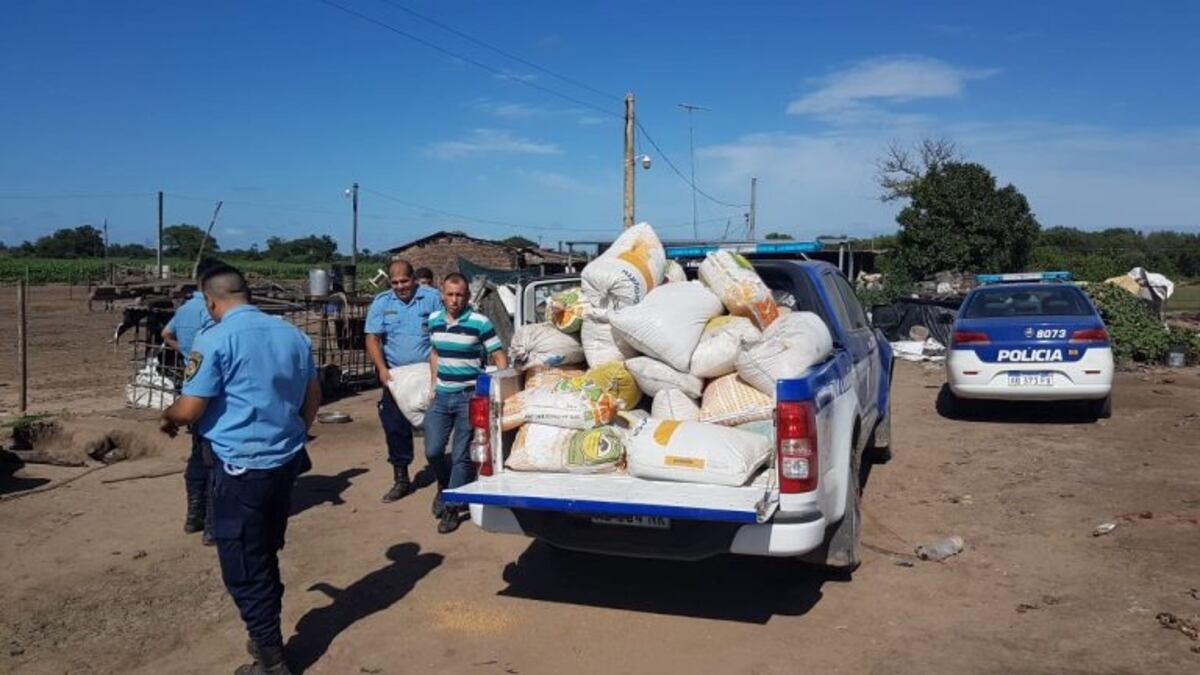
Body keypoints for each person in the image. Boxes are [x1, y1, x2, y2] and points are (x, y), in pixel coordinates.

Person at [161, 265, 321, 675]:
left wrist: (169, 416)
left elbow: (192, 407)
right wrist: (296, 431)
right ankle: (265, 634)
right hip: (284, 462)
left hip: (239, 468)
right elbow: (313, 396)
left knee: (243, 565)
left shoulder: (214, 339)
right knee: (264, 550)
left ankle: (271, 660)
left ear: (211, 301)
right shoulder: (293, 335)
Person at [426, 273, 508, 534]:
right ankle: (444, 486)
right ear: (442, 294)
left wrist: (498, 390)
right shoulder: (434, 320)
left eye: (459, 294)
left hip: (467, 397)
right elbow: (436, 352)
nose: (454, 300)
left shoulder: (479, 323)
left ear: (467, 296)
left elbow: (498, 355)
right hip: (441, 395)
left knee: (461, 455)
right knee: (433, 450)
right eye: (449, 294)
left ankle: (451, 508)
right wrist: (432, 384)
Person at [365, 259, 443, 502]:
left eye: (405, 281)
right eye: (395, 282)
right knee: (394, 425)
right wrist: (382, 370)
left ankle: (443, 480)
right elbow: (373, 338)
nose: (400, 287)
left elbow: (443, 331)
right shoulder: (382, 302)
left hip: (429, 372)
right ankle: (401, 478)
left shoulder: (431, 298)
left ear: (414, 280)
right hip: (396, 376)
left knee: (436, 426)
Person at [162, 273, 217, 542]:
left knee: (197, 450)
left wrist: (187, 355)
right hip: (212, 388)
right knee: (215, 453)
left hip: (191, 381)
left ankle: (194, 514)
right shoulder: (211, 312)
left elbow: (165, 334)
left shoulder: (183, 309)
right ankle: (212, 523)